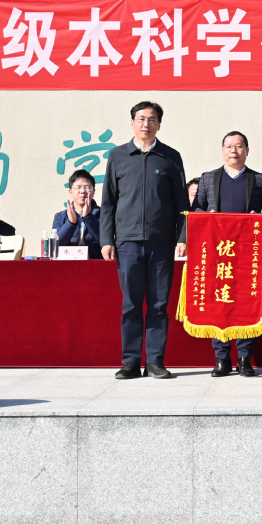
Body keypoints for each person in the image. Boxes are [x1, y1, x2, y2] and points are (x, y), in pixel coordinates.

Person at [101, 101, 189, 381]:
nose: (146, 124)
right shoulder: (118, 156)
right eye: (141, 119)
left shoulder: (170, 157)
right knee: (130, 304)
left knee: (159, 304)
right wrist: (107, 239)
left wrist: (182, 236)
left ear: (159, 125)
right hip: (127, 242)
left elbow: (181, 203)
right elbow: (108, 202)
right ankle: (130, 361)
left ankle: (154, 361)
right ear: (132, 123)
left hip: (161, 242)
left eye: (152, 119)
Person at [191, 131, 262, 378]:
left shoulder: (258, 179)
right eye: (229, 146)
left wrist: (259, 218)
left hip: (247, 253)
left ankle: (244, 358)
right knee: (218, 302)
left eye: (239, 146)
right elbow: (196, 210)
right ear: (222, 150)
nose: (233, 151)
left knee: (246, 302)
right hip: (217, 253)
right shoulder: (208, 178)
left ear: (247, 151)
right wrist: (207, 216)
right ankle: (221, 358)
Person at [52, 169, 102, 259]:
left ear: (93, 192)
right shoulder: (60, 217)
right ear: (70, 192)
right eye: (78, 187)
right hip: (69, 264)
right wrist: (71, 223)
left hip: (96, 263)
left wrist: (88, 217)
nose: (82, 191)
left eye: (87, 187)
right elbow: (55, 247)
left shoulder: (104, 215)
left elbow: (106, 241)